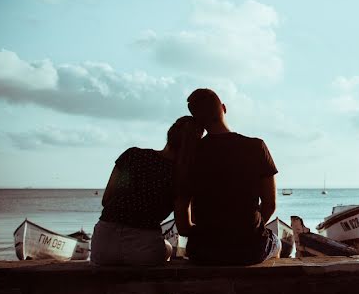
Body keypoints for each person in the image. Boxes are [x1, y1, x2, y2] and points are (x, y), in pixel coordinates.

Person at [176, 88, 279, 265]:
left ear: (198, 121)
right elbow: (270, 204)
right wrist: (247, 229)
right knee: (276, 243)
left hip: (204, 251)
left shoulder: (189, 155)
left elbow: (183, 226)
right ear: (224, 108)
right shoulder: (256, 147)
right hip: (249, 249)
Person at [91, 116, 203, 266]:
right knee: (168, 249)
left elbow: (106, 200)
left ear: (170, 134)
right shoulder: (182, 176)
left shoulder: (132, 155)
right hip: (143, 247)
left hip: (103, 244)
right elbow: (183, 228)